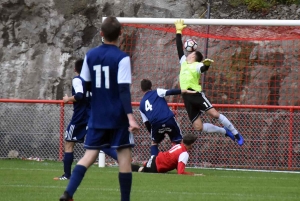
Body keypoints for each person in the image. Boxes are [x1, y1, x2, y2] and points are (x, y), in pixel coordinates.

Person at [59, 16, 139, 201]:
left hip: (96, 115)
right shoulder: (122, 58)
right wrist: (130, 117)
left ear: (101, 34)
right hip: (117, 116)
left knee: (89, 156)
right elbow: (123, 90)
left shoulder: (90, 56)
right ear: (120, 34)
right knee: (124, 159)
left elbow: (85, 85)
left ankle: (68, 193)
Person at [174, 19, 244, 146]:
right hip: (186, 97)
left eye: (191, 53)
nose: (188, 54)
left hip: (196, 94)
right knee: (198, 127)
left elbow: (202, 68)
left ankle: (235, 133)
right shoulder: (183, 62)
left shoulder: (196, 65)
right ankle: (224, 131)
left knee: (214, 114)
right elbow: (179, 47)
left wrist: (206, 66)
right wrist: (178, 31)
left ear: (194, 56)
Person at [54, 59, 118, 181]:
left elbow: (79, 96)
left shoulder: (77, 80)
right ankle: (123, 160)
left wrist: (68, 99)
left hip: (80, 118)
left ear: (75, 69)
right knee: (100, 144)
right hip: (93, 116)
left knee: (69, 143)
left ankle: (67, 175)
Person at [139, 78, 196, 156]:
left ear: (141, 89)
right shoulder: (157, 92)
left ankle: (153, 163)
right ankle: (180, 160)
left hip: (156, 124)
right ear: (151, 86)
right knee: (179, 141)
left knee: (154, 143)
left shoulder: (141, 105)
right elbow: (171, 91)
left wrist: (154, 135)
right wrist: (185, 90)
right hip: (169, 120)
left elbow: (147, 123)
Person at [131, 133, 203, 176]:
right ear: (191, 144)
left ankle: (127, 165)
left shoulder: (179, 145)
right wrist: (193, 174)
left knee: (142, 169)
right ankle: (125, 166)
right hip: (156, 166)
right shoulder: (184, 153)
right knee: (142, 170)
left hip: (156, 158)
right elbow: (180, 172)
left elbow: (174, 160)